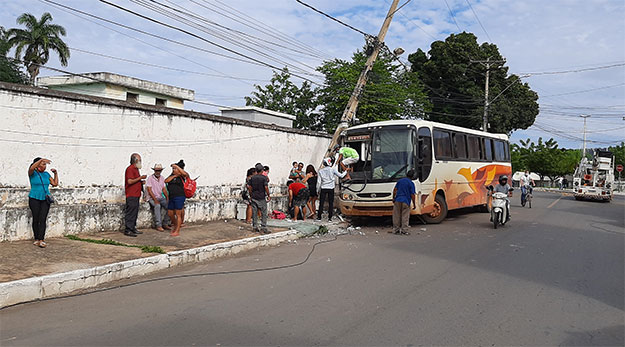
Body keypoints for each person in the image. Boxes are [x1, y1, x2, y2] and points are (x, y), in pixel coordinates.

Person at [28, 157, 59, 247]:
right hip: (34, 198)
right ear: (37, 165)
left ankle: (41, 239)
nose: (44, 166)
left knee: (43, 219)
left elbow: (54, 184)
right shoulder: (32, 173)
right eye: (43, 164)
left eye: (45, 164)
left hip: (45, 199)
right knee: (36, 218)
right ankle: (36, 238)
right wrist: (40, 161)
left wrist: (55, 174)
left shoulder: (46, 174)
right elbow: (31, 168)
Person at [124, 153, 146, 237]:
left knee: (135, 212)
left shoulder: (136, 169)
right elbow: (129, 181)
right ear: (135, 160)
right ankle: (128, 229)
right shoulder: (130, 169)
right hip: (131, 194)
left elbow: (134, 180)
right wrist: (140, 178)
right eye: (139, 160)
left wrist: (140, 182)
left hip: (136, 194)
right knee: (131, 212)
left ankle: (132, 227)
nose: (140, 162)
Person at [165, 160, 188, 237]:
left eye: (175, 169)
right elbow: (166, 180)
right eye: (173, 169)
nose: (174, 170)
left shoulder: (182, 176)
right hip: (172, 196)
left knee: (178, 214)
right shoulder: (172, 176)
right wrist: (174, 175)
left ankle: (177, 230)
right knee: (170, 213)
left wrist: (176, 166)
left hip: (179, 196)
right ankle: (175, 225)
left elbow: (185, 174)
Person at [145, 163, 170, 231]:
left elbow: (164, 189)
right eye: (156, 170)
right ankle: (158, 225)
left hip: (160, 197)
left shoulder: (162, 178)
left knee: (170, 206)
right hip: (151, 197)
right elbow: (149, 190)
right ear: (154, 171)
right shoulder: (150, 178)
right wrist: (155, 199)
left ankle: (165, 223)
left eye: (159, 170)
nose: (158, 172)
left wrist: (167, 197)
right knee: (157, 206)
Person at [247, 163, 271, 233]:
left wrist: (251, 195)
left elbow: (250, 188)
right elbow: (266, 187)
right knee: (263, 212)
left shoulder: (252, 178)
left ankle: (255, 227)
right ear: (262, 170)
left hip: (254, 197)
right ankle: (263, 227)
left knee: (254, 212)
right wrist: (268, 195)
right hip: (261, 197)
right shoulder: (264, 178)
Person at [392, 169, 416, 235]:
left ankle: (396, 230)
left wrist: (393, 198)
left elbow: (395, 190)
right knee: (405, 216)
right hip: (406, 201)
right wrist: (414, 204)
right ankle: (404, 230)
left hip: (398, 200)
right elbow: (412, 195)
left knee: (396, 215)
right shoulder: (411, 183)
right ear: (413, 176)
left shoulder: (400, 181)